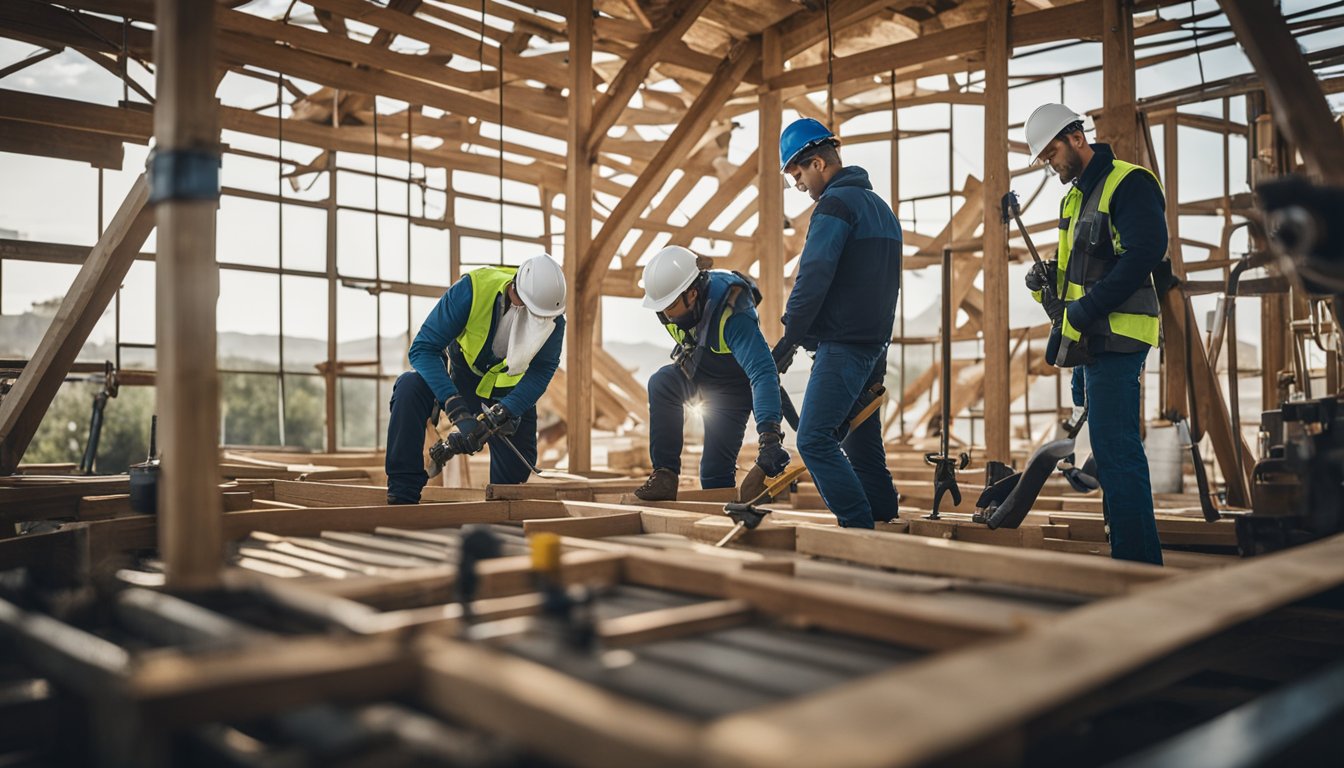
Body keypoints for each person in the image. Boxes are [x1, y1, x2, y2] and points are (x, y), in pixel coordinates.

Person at [1022, 102, 1166, 565]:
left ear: (1076, 139)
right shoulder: (1074, 196)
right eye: (1043, 159)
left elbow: (1144, 254)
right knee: (1104, 446)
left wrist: (1085, 309)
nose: (1050, 165)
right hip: (1086, 339)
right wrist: (1047, 283)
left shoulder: (1129, 182)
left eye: (1051, 155)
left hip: (1117, 337)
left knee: (1116, 447)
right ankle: (1123, 548)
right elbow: (1078, 272)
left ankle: (1137, 564)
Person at [772, 118, 901, 528]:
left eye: (798, 177)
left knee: (813, 439)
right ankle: (884, 518)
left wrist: (789, 338)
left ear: (817, 164)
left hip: (844, 347)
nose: (801, 188)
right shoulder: (881, 209)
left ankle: (858, 528)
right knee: (862, 447)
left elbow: (814, 276)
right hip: (874, 348)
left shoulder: (835, 205)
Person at [385, 254, 566, 504]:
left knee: (512, 492)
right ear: (515, 292)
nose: (539, 320)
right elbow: (422, 349)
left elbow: (542, 370)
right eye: (533, 312)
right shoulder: (473, 290)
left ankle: (503, 519)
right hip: (459, 382)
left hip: (509, 397)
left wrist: (505, 411)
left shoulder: (552, 316)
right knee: (409, 388)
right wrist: (454, 406)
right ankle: (402, 494)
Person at [634, 245, 790, 501]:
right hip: (698, 370)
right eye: (659, 308)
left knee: (714, 474)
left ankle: (725, 521)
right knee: (662, 382)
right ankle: (665, 475)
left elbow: (763, 372)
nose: (665, 315)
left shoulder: (734, 316)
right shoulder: (672, 309)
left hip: (732, 390)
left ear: (692, 294)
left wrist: (769, 437)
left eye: (669, 306)